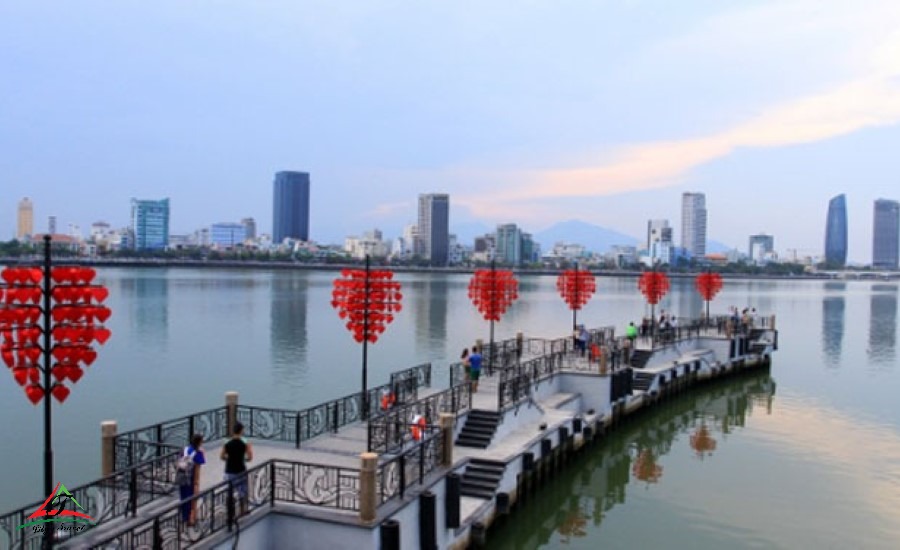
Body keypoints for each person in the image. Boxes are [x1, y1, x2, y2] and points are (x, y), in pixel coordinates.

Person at [221, 421, 253, 515]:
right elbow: (250, 458)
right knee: (242, 491)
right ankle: (243, 510)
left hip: (229, 470)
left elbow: (222, 456)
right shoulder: (246, 443)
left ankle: (230, 513)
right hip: (240, 469)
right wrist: (243, 459)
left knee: (229, 491)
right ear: (241, 431)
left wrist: (229, 458)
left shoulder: (227, 443)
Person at [180, 433, 206, 526]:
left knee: (184, 496)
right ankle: (191, 519)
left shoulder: (185, 449)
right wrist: (196, 483)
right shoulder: (198, 453)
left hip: (182, 477)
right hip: (191, 479)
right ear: (199, 442)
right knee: (192, 498)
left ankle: (184, 516)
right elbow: (197, 470)